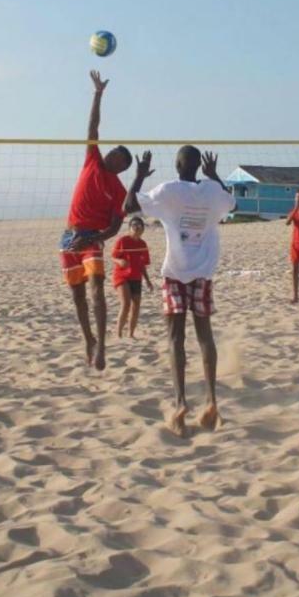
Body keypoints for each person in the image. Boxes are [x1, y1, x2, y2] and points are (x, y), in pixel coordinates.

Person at [125, 146, 236, 437]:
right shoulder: (212, 191)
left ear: (176, 166)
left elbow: (128, 207)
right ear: (200, 166)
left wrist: (138, 176)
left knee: (175, 339)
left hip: (175, 272)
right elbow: (233, 206)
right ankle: (212, 400)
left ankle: (180, 402)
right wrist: (214, 176)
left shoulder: (168, 190)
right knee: (205, 337)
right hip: (202, 272)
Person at [61, 70, 133, 371]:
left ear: (121, 165)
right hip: (68, 236)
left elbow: (115, 227)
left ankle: (102, 346)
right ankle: (89, 339)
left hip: (92, 238)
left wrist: (94, 239)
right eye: (111, 149)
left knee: (96, 290)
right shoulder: (92, 159)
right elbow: (93, 127)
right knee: (78, 295)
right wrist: (98, 94)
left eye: (115, 153)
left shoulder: (118, 188)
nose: (110, 152)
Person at [112, 216, 153, 339]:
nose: (137, 228)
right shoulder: (122, 240)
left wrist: (148, 281)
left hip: (136, 277)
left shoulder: (142, 244)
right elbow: (113, 257)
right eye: (134, 225)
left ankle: (131, 334)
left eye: (139, 226)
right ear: (130, 228)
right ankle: (118, 333)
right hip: (122, 276)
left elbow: (142, 265)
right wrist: (119, 262)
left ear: (143, 229)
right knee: (126, 303)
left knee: (136, 306)